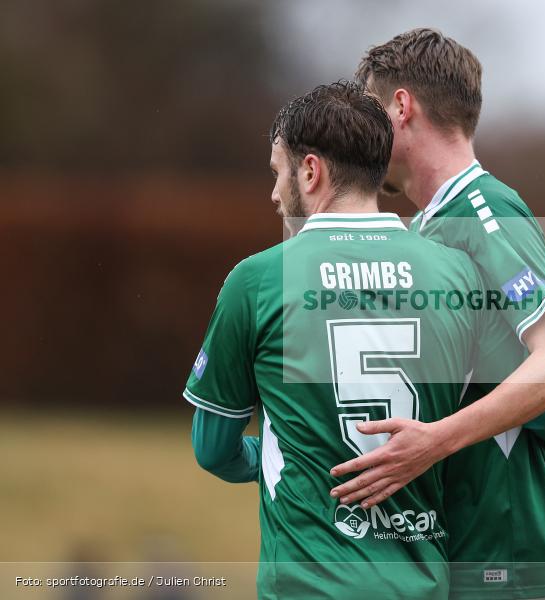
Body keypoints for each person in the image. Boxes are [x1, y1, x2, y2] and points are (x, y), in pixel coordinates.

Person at [185, 81, 485, 599]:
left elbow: (213, 449)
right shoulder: (457, 272)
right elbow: (538, 416)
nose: (275, 192)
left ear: (310, 170)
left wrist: (293, 455)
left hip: (307, 583)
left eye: (278, 171)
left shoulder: (258, 280)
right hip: (423, 580)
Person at [329, 29, 545, 600]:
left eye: (371, 114)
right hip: (458, 546)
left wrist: (434, 441)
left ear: (401, 107)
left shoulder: (483, 209)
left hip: (510, 548)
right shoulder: (422, 229)